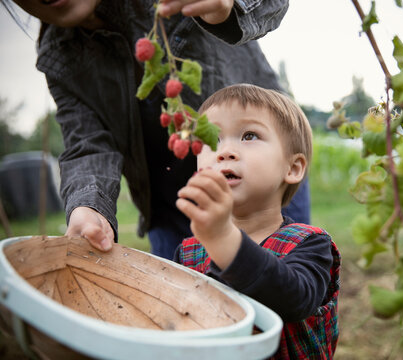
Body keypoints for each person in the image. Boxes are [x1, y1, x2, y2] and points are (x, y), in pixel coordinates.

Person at [4, 0, 310, 260]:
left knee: (285, 301)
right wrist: (87, 206)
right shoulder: (59, 56)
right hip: (172, 206)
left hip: (263, 189)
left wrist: (230, 6)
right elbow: (87, 143)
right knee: (191, 315)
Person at [174, 84, 340, 359]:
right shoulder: (189, 252)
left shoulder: (310, 244)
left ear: (292, 168)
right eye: (211, 138)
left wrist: (223, 240)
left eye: (249, 135)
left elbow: (295, 300)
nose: (224, 151)